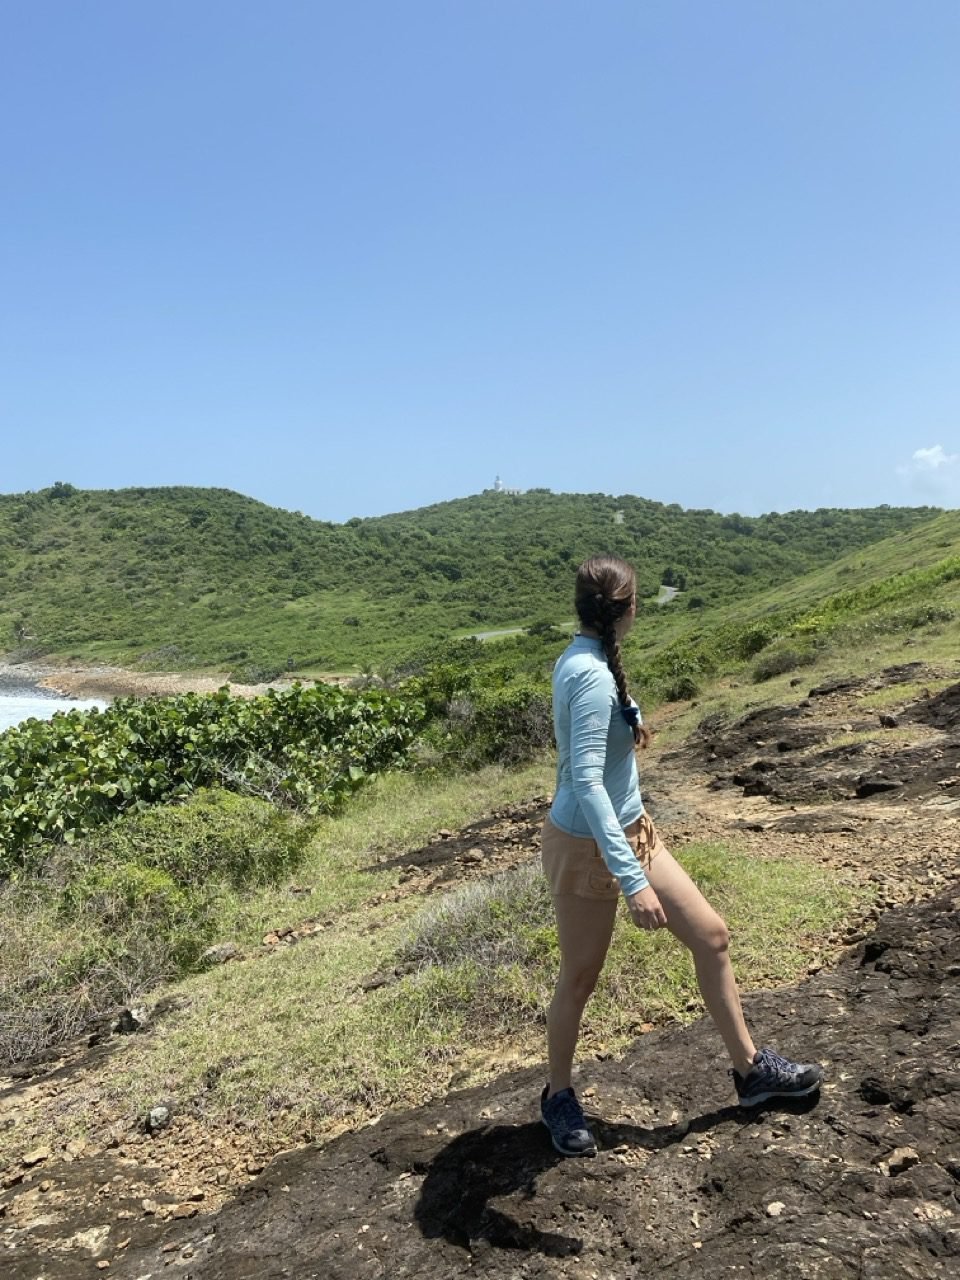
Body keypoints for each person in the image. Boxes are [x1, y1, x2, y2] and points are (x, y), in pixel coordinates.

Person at [540, 555, 823, 1157]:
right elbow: (587, 783)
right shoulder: (588, 672)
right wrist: (631, 880)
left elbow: (594, 739)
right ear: (630, 609)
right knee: (581, 978)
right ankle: (557, 1095)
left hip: (632, 830)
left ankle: (751, 1073)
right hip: (590, 844)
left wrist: (631, 718)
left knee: (711, 936)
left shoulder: (593, 660)